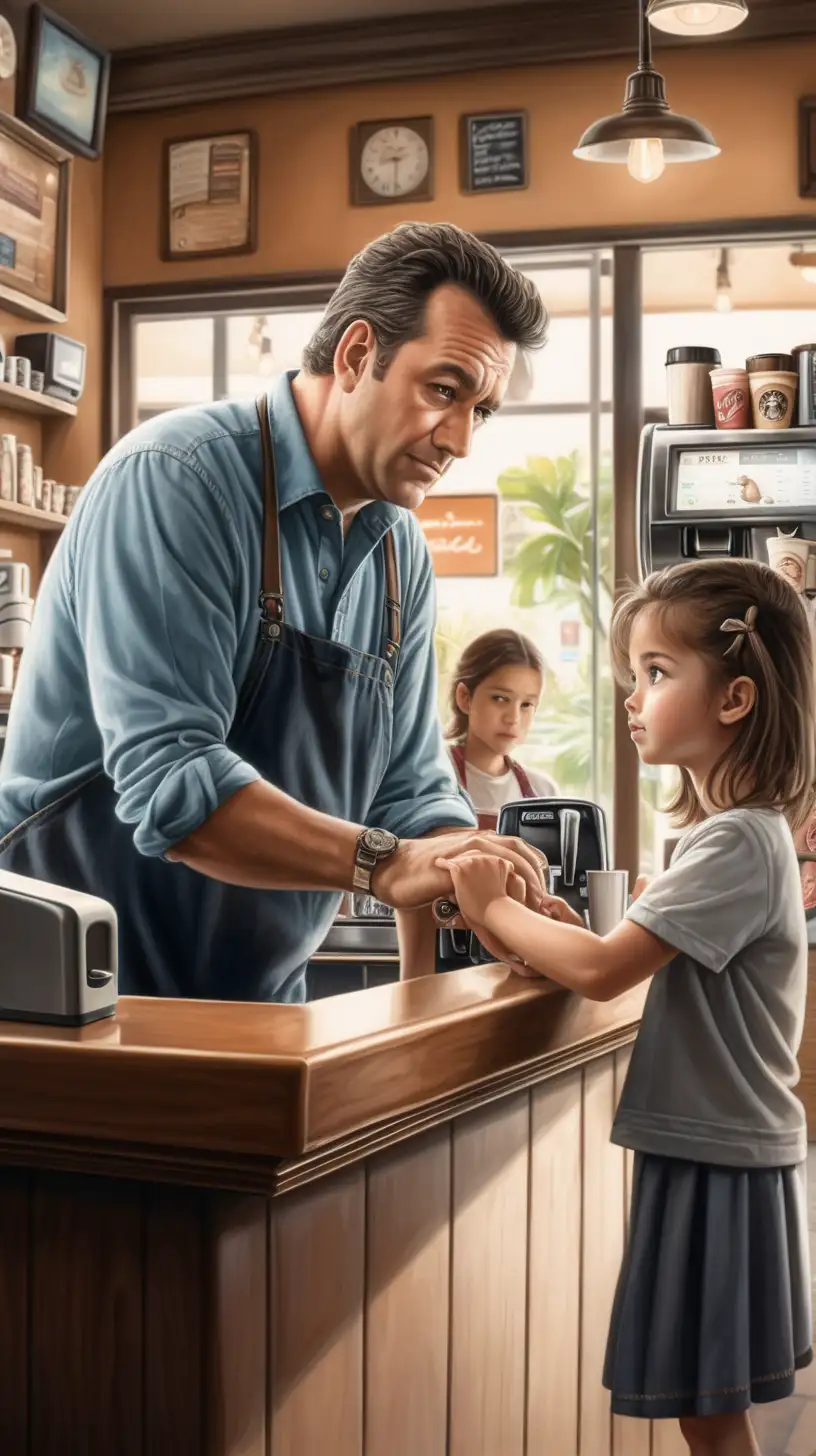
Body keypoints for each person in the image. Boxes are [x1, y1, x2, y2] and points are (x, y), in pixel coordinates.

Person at [0, 222, 551, 1003]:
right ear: (359, 354)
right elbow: (175, 786)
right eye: (444, 390)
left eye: (482, 410)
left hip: (259, 1004)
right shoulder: (177, 480)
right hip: (72, 999)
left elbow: (412, 789)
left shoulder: (401, 554)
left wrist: (483, 873)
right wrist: (387, 863)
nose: (460, 438)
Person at [436, 557, 815, 1456]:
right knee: (704, 1404)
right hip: (710, 1141)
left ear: (734, 699)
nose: (631, 699)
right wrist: (550, 927)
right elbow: (624, 955)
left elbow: (606, 971)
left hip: (715, 1150)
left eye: (654, 673)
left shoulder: (734, 841)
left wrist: (490, 908)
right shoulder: (730, 836)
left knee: (708, 1406)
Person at [445, 628, 557, 831]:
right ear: (464, 697)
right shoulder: (434, 777)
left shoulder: (544, 792)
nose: (513, 718)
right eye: (500, 698)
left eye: (526, 705)